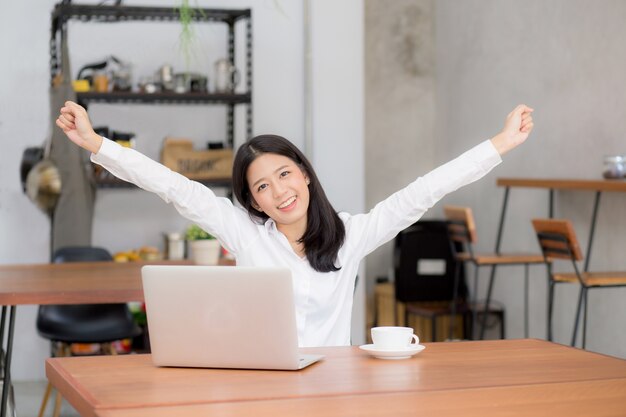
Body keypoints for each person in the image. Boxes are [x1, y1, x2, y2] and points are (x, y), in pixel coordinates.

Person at [56, 101, 534, 347]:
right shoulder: (242, 231)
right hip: (258, 385)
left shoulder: (350, 235)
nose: (279, 191)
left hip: (333, 389)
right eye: (262, 187)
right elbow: (174, 186)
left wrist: (500, 143)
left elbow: (424, 191)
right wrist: (97, 144)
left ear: (304, 173)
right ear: (256, 203)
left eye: (284, 173)